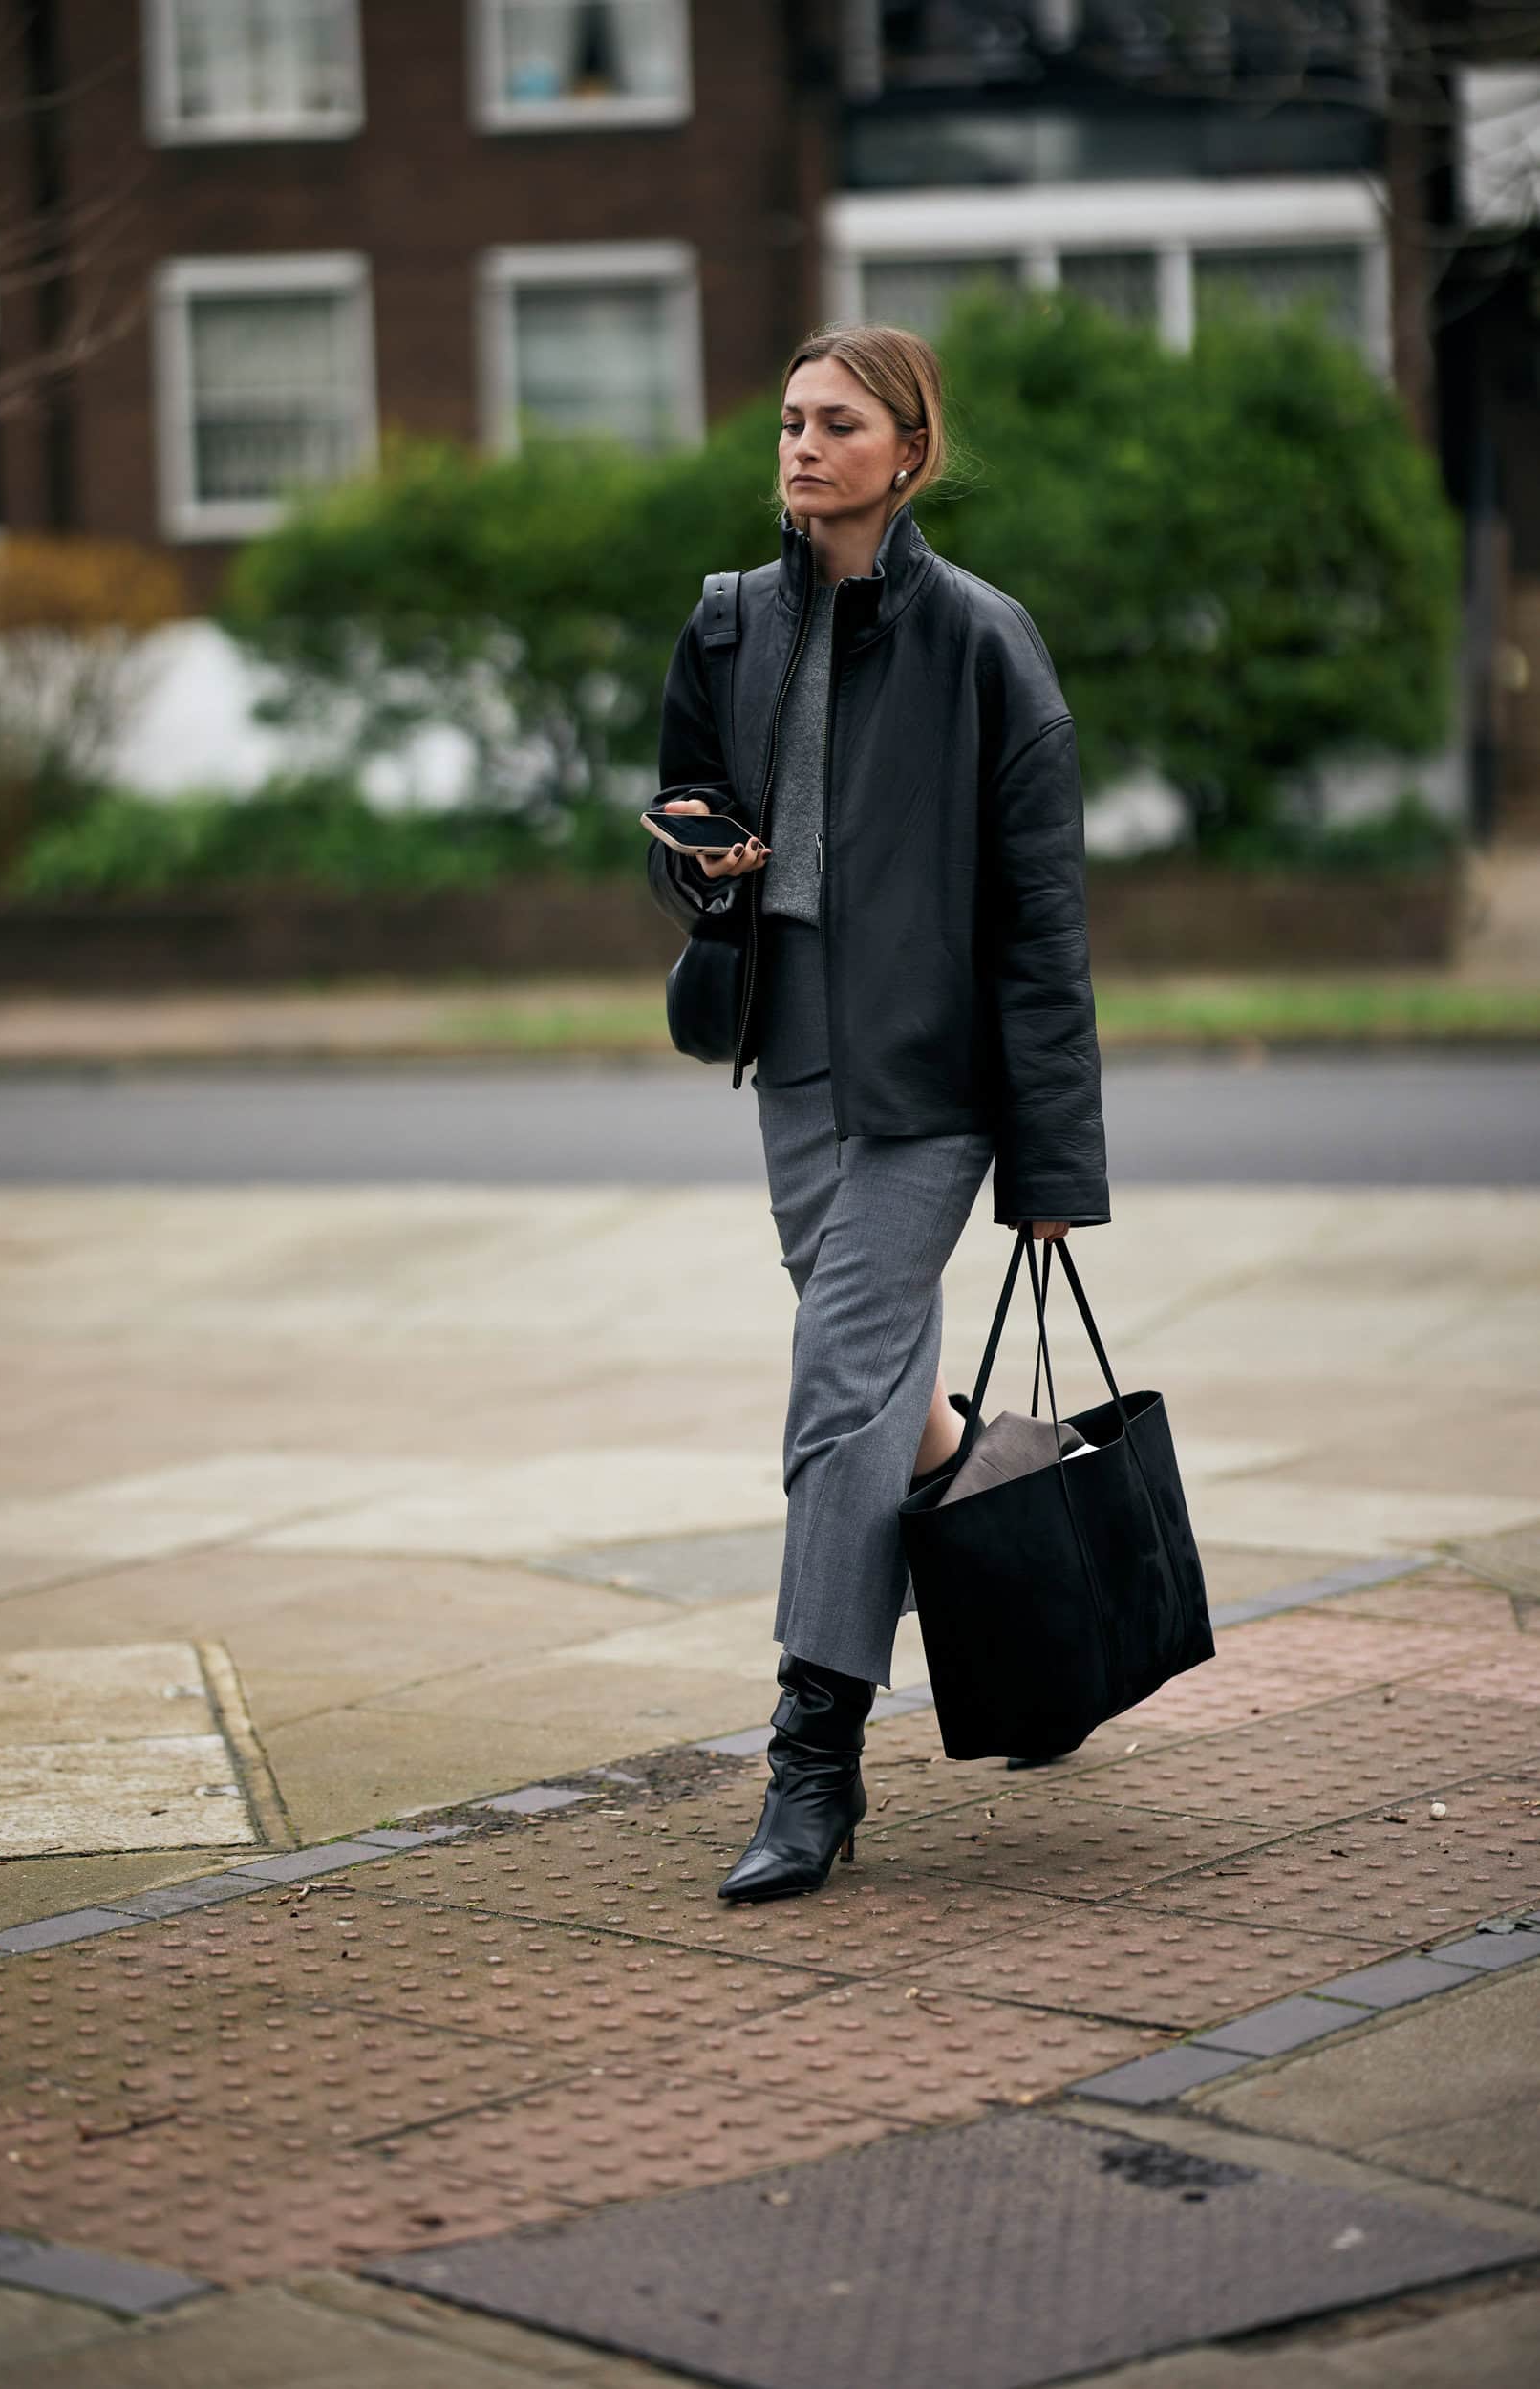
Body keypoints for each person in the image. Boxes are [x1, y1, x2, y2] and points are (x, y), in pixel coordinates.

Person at [645, 322, 1109, 1905]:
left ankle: (814, 1756)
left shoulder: (984, 640)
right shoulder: (728, 623)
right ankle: (1042, 1615)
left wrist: (1051, 1159)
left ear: (908, 452)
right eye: (789, 422)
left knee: (841, 1383)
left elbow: (1041, 923)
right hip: (792, 1064)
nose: (801, 447)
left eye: (837, 424)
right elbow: (683, 822)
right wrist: (703, 862)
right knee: (888, 1397)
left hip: (933, 1086)